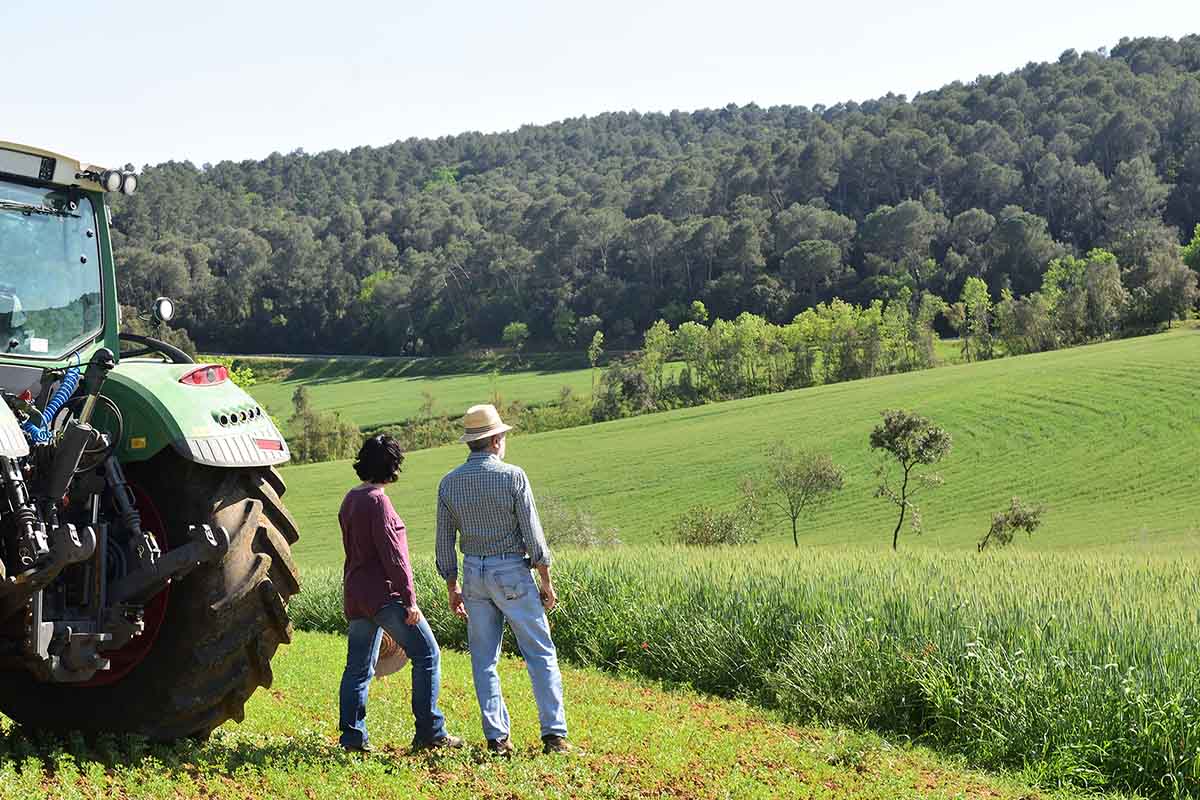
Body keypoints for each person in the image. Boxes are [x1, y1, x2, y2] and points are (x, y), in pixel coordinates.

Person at [436, 404, 571, 756]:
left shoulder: (449, 483)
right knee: (540, 652)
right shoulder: (513, 477)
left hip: (473, 574)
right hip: (511, 571)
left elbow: (443, 542)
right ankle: (554, 735)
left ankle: (497, 739)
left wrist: (453, 587)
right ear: (495, 440)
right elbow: (533, 535)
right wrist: (546, 580)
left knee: (484, 660)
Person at [337, 434, 463, 753]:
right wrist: (409, 601)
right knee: (428, 654)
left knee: (358, 669)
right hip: (384, 596)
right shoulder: (378, 501)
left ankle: (352, 738)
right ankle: (430, 732)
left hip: (356, 594)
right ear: (393, 466)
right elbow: (394, 556)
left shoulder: (350, 499)